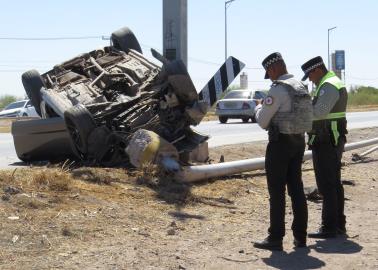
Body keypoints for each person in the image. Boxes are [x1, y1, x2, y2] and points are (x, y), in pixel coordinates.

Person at [253, 52, 313, 251]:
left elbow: (263, 122)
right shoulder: (300, 85)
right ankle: (300, 237)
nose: (269, 76)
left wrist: (258, 108)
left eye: (269, 72)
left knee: (277, 192)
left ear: (274, 68)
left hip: (280, 144)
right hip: (298, 141)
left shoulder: (278, 89)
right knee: (296, 189)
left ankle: (275, 238)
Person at [301, 56, 348, 238]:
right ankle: (338, 224)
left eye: (310, 75)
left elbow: (319, 113)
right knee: (334, 183)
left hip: (327, 141)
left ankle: (329, 227)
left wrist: (300, 110)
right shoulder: (330, 83)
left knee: (327, 185)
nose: (310, 79)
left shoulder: (328, 85)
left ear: (317, 70)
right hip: (329, 139)